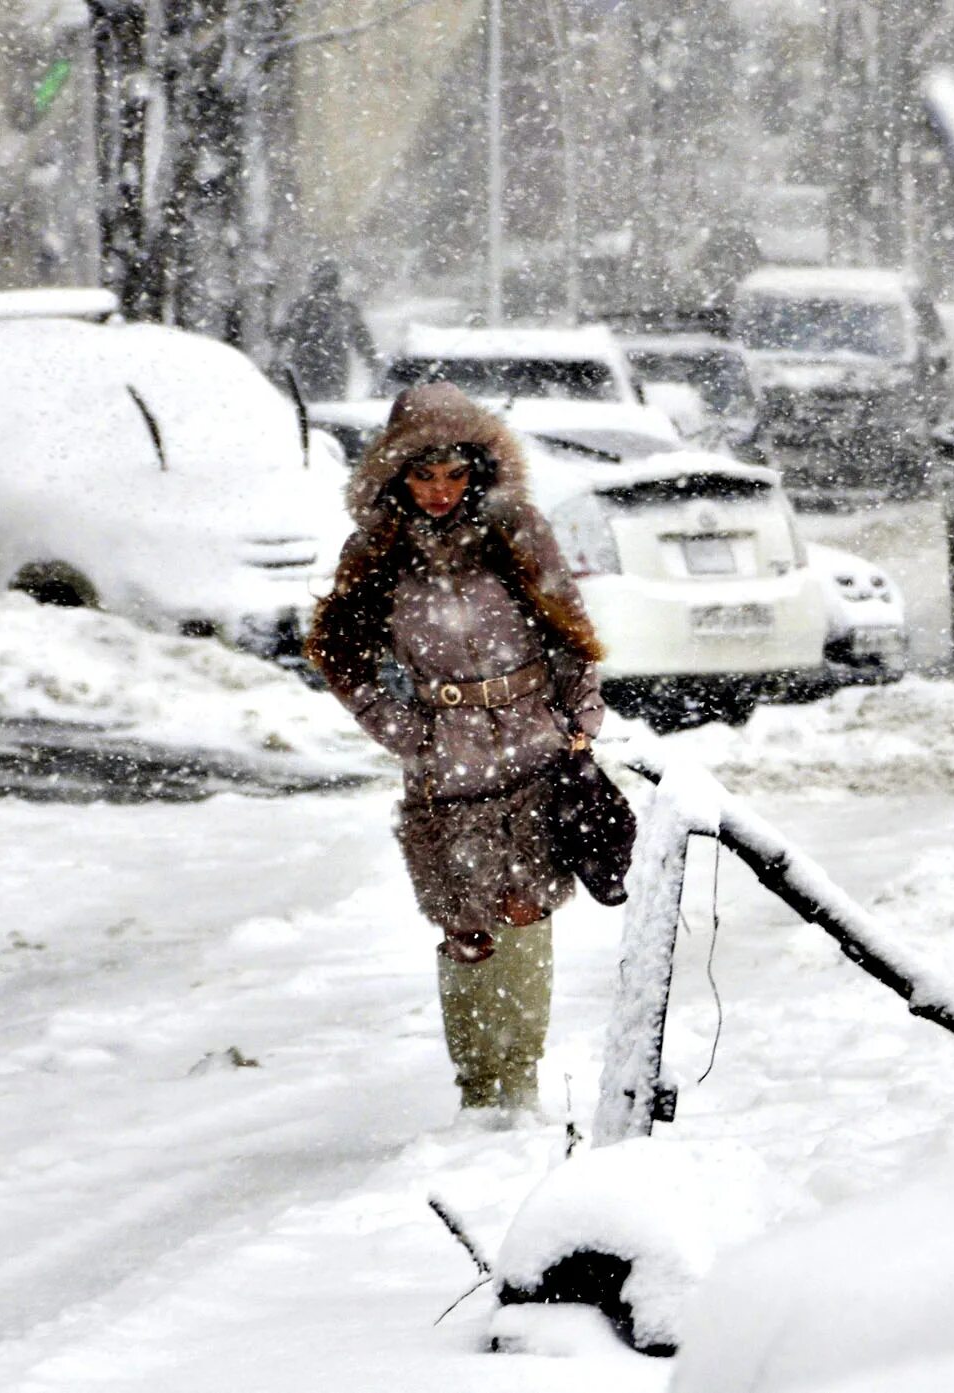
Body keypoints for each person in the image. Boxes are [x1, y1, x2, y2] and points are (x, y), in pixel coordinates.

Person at [306, 383, 607, 1116]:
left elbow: (568, 627)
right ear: (396, 476)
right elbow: (340, 653)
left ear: (478, 470)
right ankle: (479, 1092)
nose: (440, 491)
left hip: (535, 747)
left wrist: (579, 717)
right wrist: (404, 728)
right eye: (422, 474)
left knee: (526, 908)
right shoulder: (377, 549)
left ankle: (521, 1083)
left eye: (454, 473)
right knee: (467, 924)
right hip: (448, 767)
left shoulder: (518, 533)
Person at [272, 259, 379, 401]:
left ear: (313, 280)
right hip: (335, 373)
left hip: (304, 371)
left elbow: (280, 338)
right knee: (332, 412)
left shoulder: (300, 307)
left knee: (306, 411)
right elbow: (364, 343)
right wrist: (375, 367)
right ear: (337, 282)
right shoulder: (346, 309)